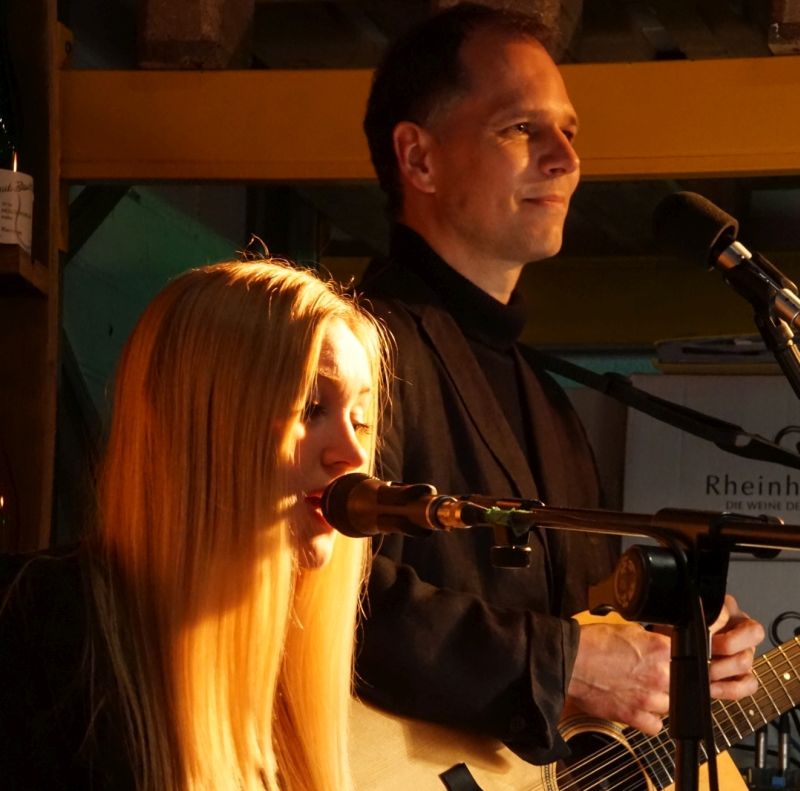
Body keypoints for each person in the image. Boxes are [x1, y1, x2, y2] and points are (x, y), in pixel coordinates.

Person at [355, 2, 765, 765]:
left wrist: (676, 646)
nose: (566, 160)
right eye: (521, 129)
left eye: (569, 131)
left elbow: (579, 612)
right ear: (418, 159)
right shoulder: (350, 350)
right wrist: (563, 662)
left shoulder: (546, 399)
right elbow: (312, 598)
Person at [0, 259, 389, 790]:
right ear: (203, 424)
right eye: (311, 408)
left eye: (360, 420)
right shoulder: (36, 630)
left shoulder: (287, 682)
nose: (351, 452)